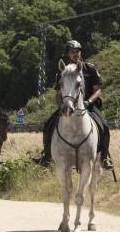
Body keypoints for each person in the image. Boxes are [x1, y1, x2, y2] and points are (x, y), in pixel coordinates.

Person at [37, 40, 114, 169]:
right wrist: (61, 105)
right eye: (72, 52)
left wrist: (89, 101)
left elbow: (98, 90)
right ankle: (46, 156)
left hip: (88, 106)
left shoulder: (90, 68)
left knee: (104, 126)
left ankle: (105, 157)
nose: (75, 54)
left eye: (78, 51)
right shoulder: (63, 71)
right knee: (48, 125)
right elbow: (58, 93)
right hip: (68, 105)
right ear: (68, 54)